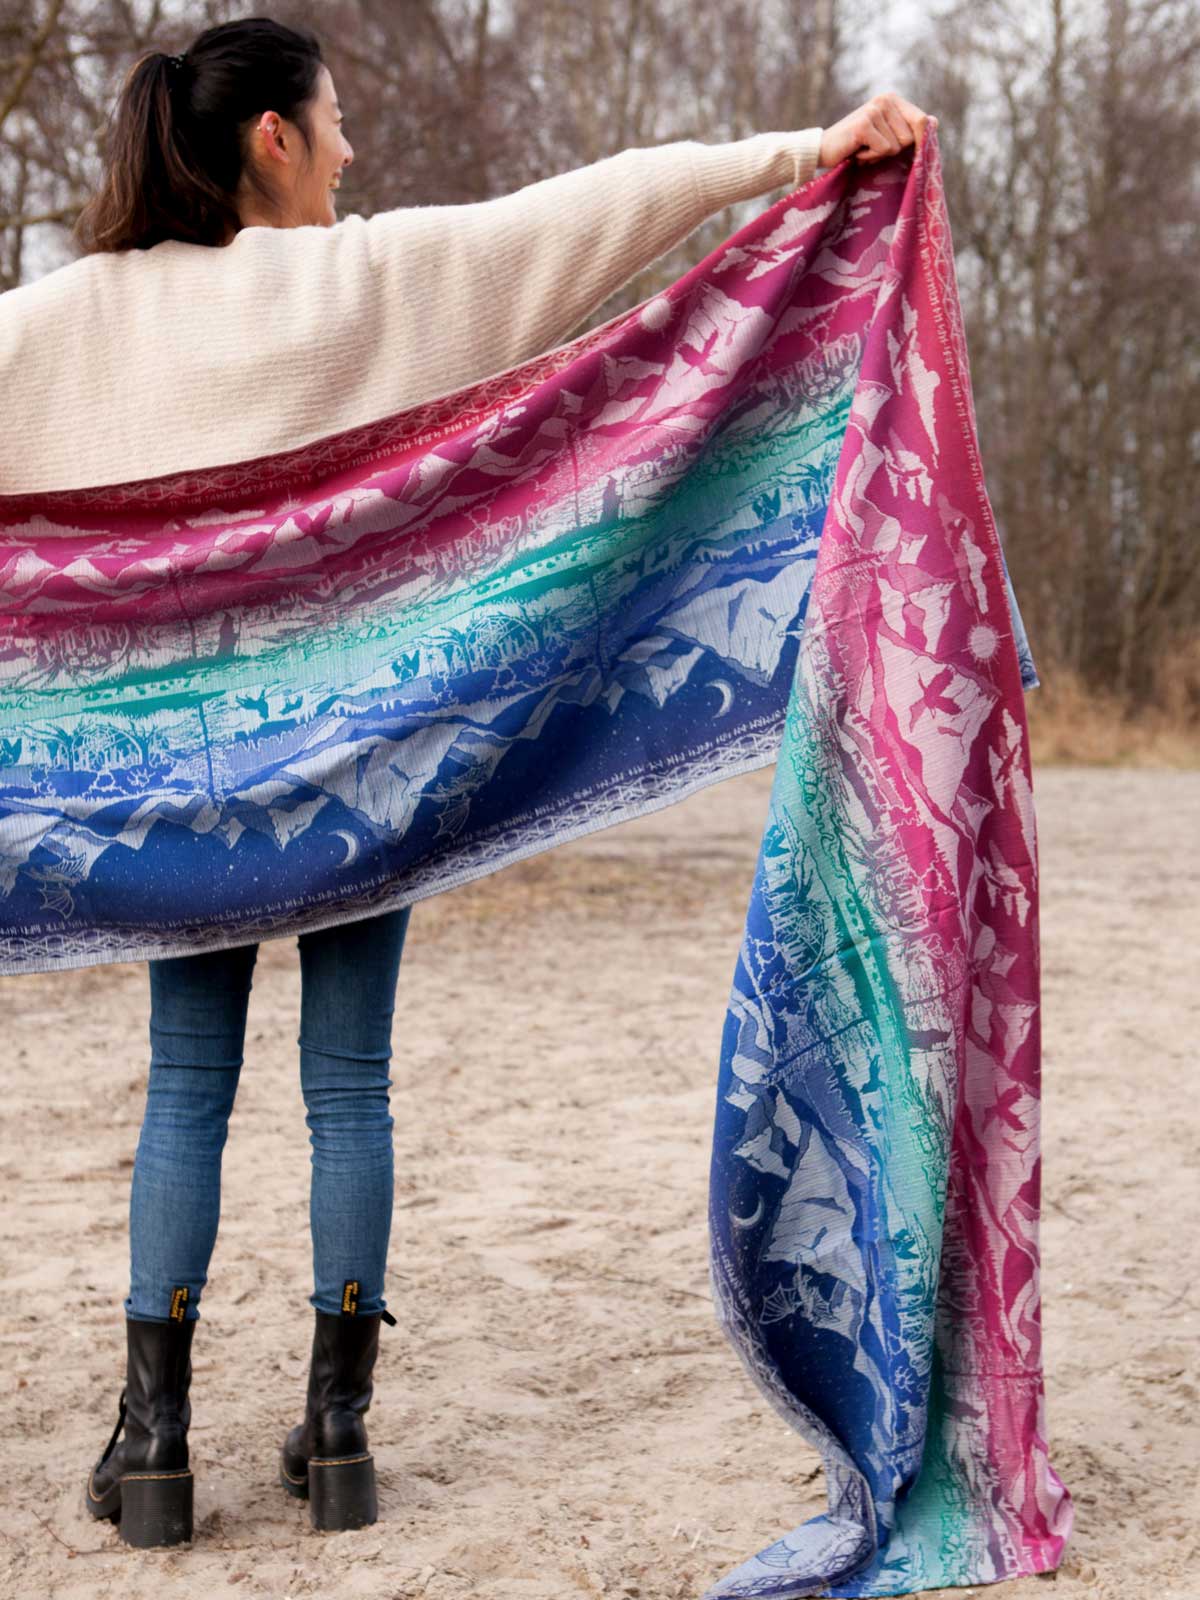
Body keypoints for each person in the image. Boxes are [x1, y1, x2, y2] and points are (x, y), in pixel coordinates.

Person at [8, 14, 924, 1549]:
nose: (354, 150)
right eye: (338, 120)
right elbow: (602, 208)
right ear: (273, 141)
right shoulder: (375, 286)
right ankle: (340, 1430)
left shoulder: (79, 321)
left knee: (186, 1090)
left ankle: (155, 1444)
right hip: (375, 774)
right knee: (349, 1087)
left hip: (177, 795)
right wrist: (801, 156)